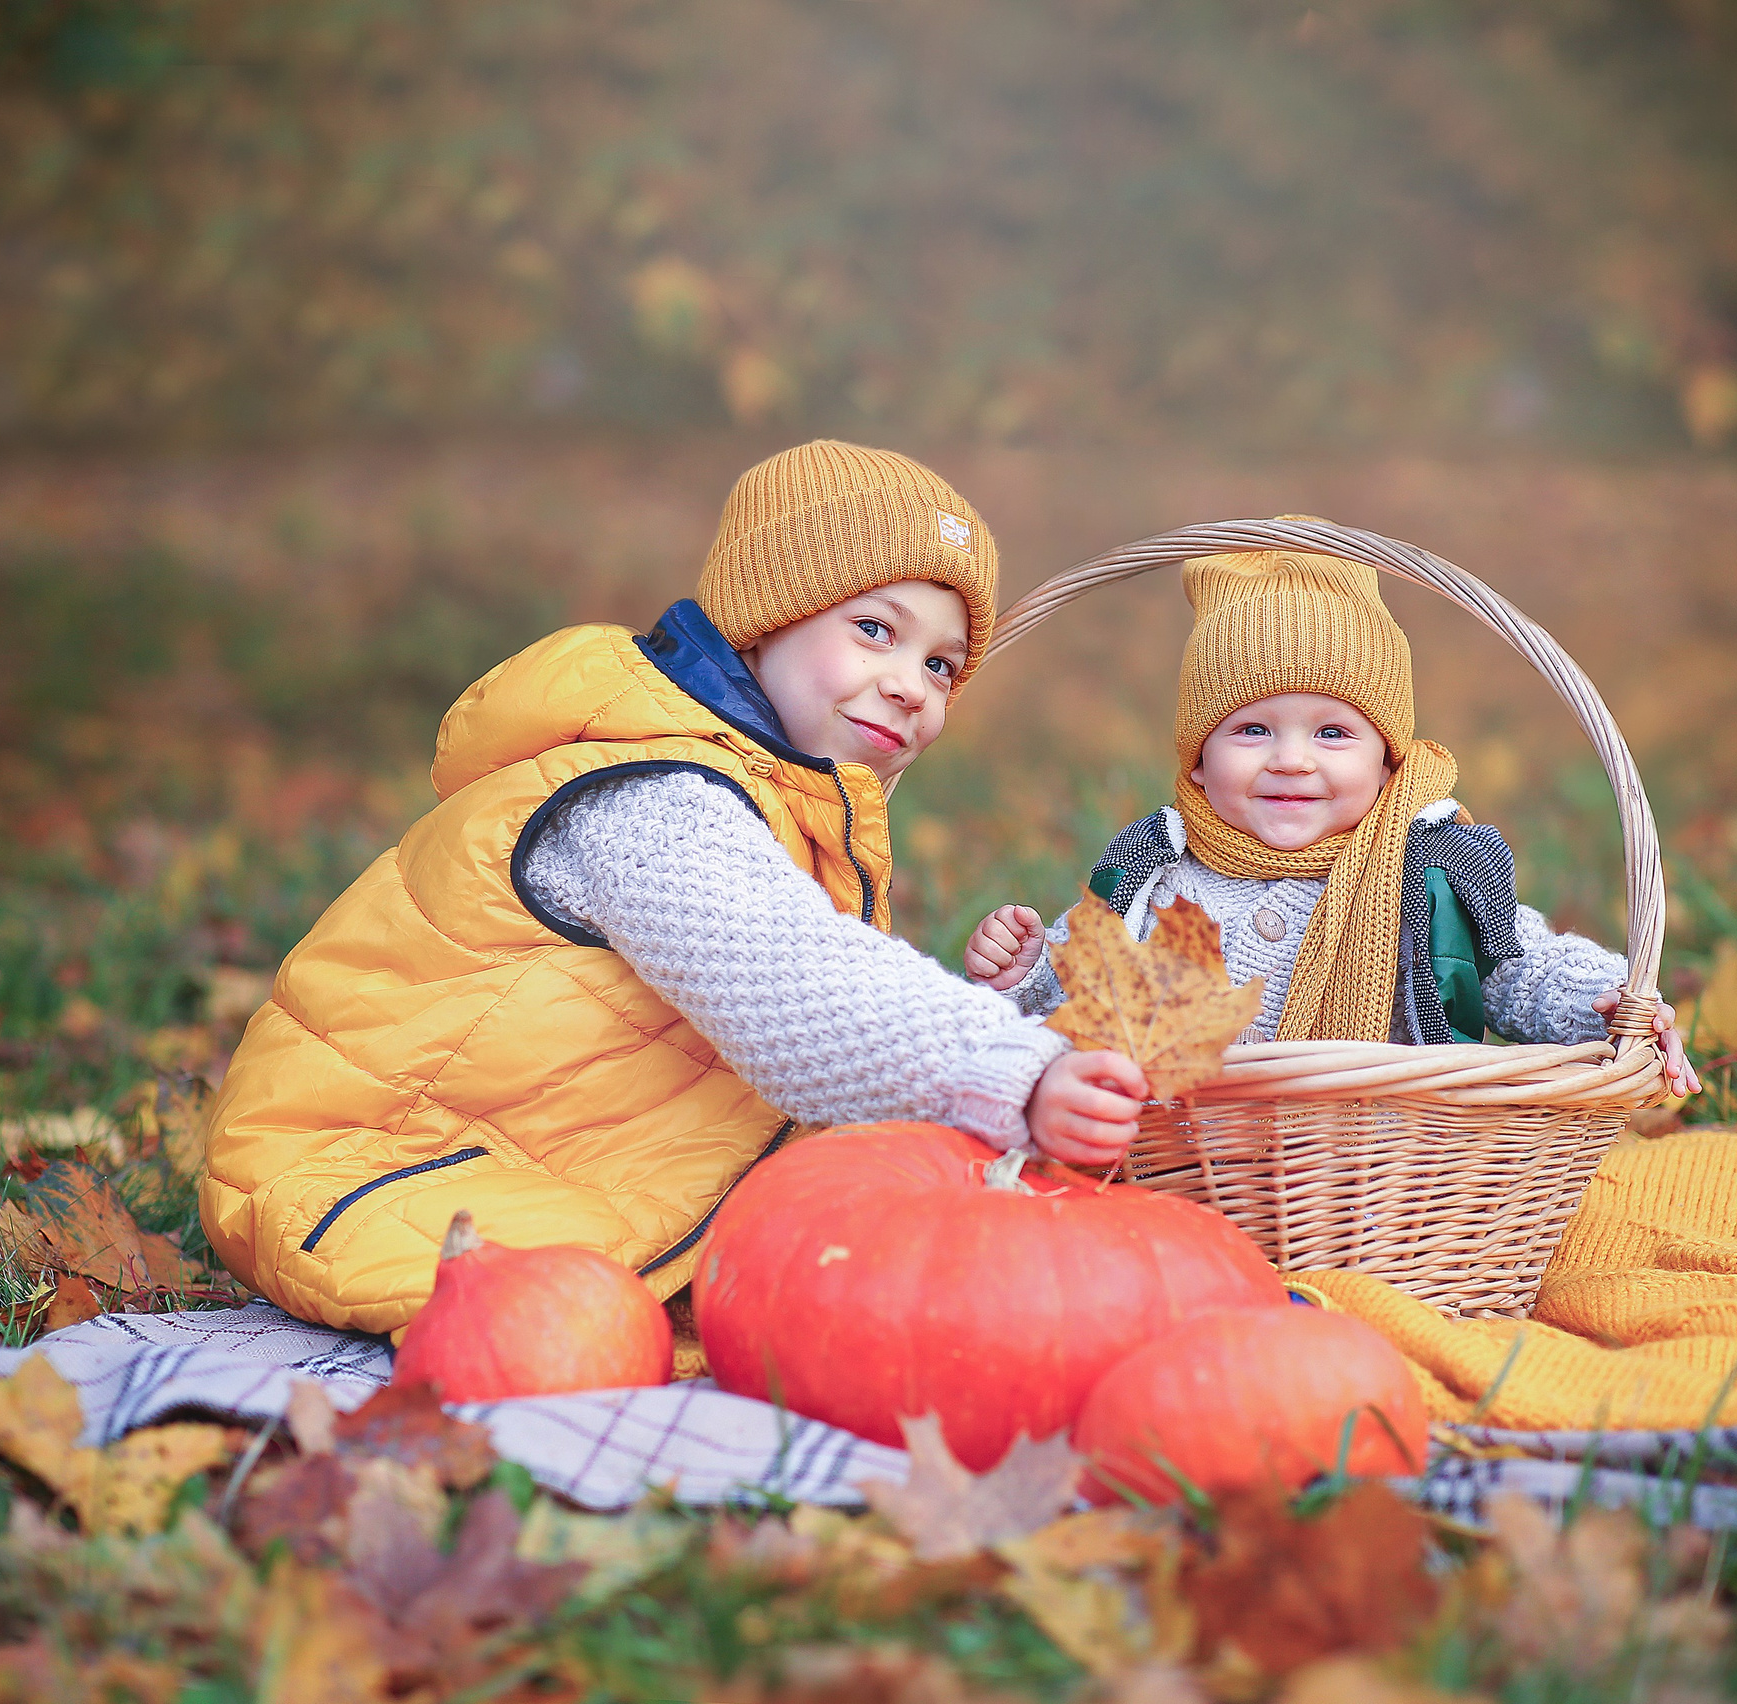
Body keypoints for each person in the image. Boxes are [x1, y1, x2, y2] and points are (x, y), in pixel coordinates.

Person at [203, 441, 1143, 1335]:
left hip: (544, 1156)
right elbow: (792, 988)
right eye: (874, 631)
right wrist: (1009, 1071)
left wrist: (1011, 1014)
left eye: (940, 664)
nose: (912, 686)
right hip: (375, 1172)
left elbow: (803, 1057)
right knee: (800, 1308)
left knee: (887, 1276)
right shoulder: (655, 794)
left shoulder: (784, 807)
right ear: (767, 620)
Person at [964, 537, 1702, 1091]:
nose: (1291, 759)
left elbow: (1516, 965)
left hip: (1381, 1176)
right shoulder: (1160, 871)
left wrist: (1608, 1000)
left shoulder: (1426, 868)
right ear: (1198, 761)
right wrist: (1023, 973)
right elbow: (1082, 985)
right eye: (1252, 729)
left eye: (1333, 733)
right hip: (1186, 1165)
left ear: (1386, 761)